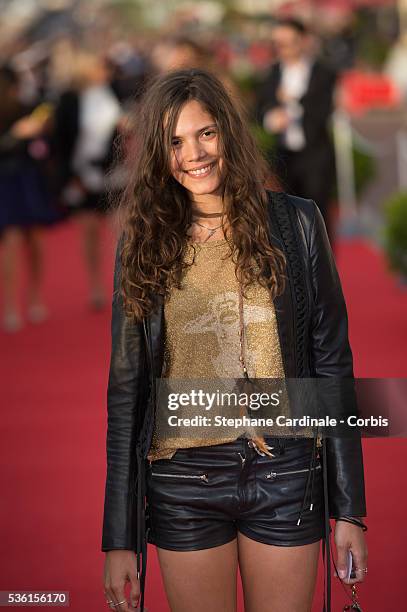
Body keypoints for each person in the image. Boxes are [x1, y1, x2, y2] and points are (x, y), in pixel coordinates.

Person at [101, 69, 367, 612]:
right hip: (182, 484)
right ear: (157, 153)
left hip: (286, 471)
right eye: (174, 141)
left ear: (229, 132)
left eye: (205, 133)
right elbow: (127, 392)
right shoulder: (144, 242)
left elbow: (332, 366)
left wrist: (349, 510)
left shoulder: (296, 223)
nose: (193, 154)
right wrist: (119, 537)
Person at [256, 18, 337, 245]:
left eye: (288, 42)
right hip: (284, 157)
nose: (283, 49)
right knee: (288, 214)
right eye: (278, 44)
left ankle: (323, 267)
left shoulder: (323, 73)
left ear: (302, 41)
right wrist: (272, 119)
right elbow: (261, 109)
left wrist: (291, 105)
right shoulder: (272, 74)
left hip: (316, 155)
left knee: (318, 214)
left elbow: (323, 110)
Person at [53, 51, 122, 310]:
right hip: (81, 175)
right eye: (100, 67)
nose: (105, 72)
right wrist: (71, 177)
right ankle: (95, 286)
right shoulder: (69, 101)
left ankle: (124, 284)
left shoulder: (113, 92)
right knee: (90, 233)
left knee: (123, 232)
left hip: (115, 175)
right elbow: (60, 143)